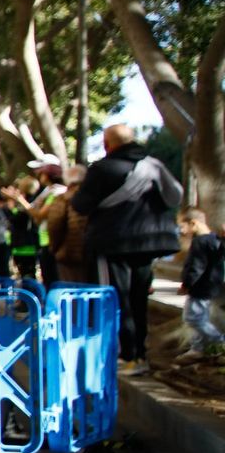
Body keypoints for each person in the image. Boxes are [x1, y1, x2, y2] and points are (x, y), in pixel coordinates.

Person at [72, 123, 182, 376]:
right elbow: (174, 196)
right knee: (138, 299)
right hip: (149, 245)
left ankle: (127, 355)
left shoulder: (102, 169)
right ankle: (140, 353)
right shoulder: (154, 165)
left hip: (112, 243)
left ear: (108, 143)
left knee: (115, 298)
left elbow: (81, 205)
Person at [5, 160, 66, 284]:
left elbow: (39, 215)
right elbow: (36, 217)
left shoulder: (57, 192)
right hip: (43, 241)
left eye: (41, 171)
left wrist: (20, 200)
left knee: (53, 279)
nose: (38, 174)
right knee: (47, 278)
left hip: (52, 241)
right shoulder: (46, 192)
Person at [176, 207, 224, 363]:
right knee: (199, 317)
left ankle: (220, 341)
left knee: (193, 318)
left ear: (193, 223)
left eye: (182, 226)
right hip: (212, 286)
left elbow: (196, 266)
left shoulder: (200, 242)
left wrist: (187, 284)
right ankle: (198, 348)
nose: (181, 231)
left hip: (200, 287)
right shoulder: (215, 240)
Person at [43, 164, 92, 285]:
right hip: (92, 251)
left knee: (72, 289)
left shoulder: (63, 198)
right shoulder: (94, 196)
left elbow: (54, 225)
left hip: (68, 253)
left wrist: (55, 248)